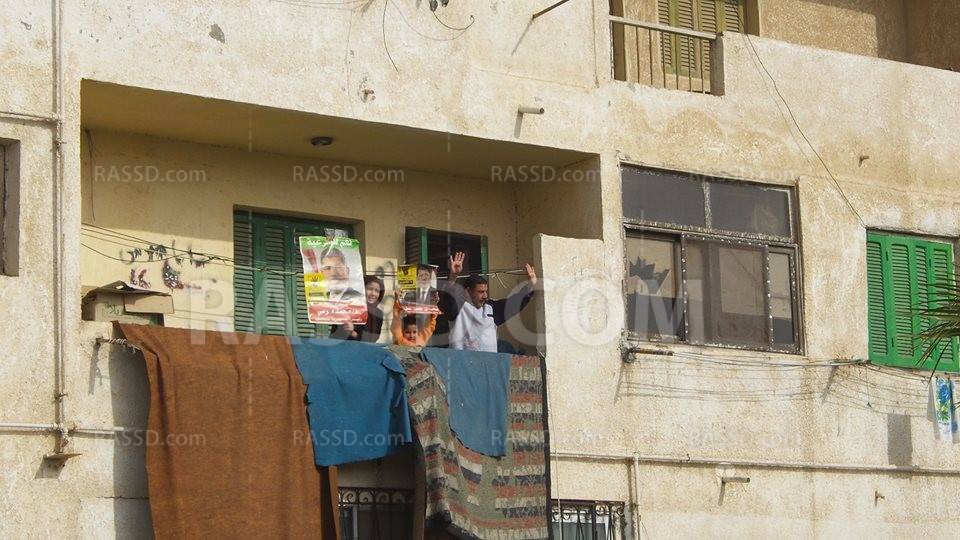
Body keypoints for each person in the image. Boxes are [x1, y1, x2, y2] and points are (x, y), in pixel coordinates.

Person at [439, 251, 537, 353]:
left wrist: (531, 285)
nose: (485, 296)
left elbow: (515, 303)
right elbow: (447, 299)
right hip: (460, 362)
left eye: (486, 291)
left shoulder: (491, 308)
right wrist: (453, 276)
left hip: (488, 362)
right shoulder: (458, 307)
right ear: (468, 292)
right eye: (481, 292)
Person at [331, 275, 385, 342]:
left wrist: (354, 333)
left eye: (377, 291)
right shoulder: (349, 307)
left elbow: (374, 338)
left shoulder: (378, 313)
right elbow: (336, 336)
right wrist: (346, 329)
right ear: (362, 289)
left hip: (367, 348)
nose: (373, 294)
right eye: (370, 289)